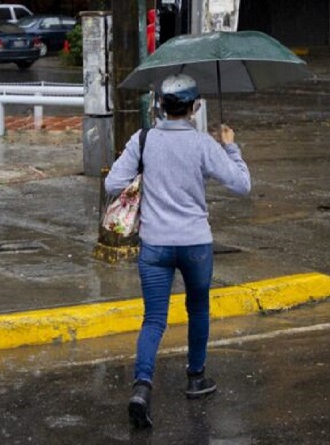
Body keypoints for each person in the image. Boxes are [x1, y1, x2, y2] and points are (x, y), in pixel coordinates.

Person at [104, 73, 252, 429]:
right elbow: (242, 185)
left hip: (155, 244)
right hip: (195, 244)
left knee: (154, 318)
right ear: (194, 107)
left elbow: (112, 183)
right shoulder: (204, 144)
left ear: (160, 106)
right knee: (198, 308)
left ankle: (141, 387)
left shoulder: (144, 140)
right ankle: (196, 378)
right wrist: (230, 146)